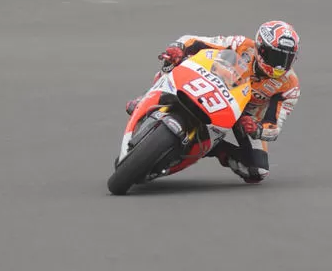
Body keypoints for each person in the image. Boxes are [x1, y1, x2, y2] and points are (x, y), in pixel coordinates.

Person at [125, 21, 300, 185]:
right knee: (173, 60)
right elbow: (194, 41)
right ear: (260, 49)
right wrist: (178, 48)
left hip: (245, 116)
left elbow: (275, 126)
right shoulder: (241, 45)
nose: (280, 66)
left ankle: (214, 147)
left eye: (287, 59)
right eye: (276, 57)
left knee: (257, 171)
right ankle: (148, 95)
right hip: (217, 85)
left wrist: (258, 129)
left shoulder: (289, 85)